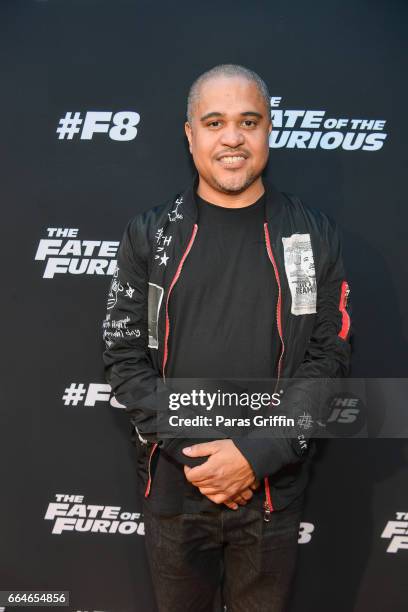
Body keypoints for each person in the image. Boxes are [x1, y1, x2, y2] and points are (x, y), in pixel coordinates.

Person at [102, 64, 352, 612]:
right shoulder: (150, 234)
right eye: (214, 122)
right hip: (174, 491)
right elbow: (124, 359)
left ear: (270, 130)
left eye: (249, 121)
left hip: (271, 495)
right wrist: (203, 461)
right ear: (190, 134)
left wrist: (255, 455)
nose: (233, 138)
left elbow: (328, 358)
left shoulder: (311, 234)